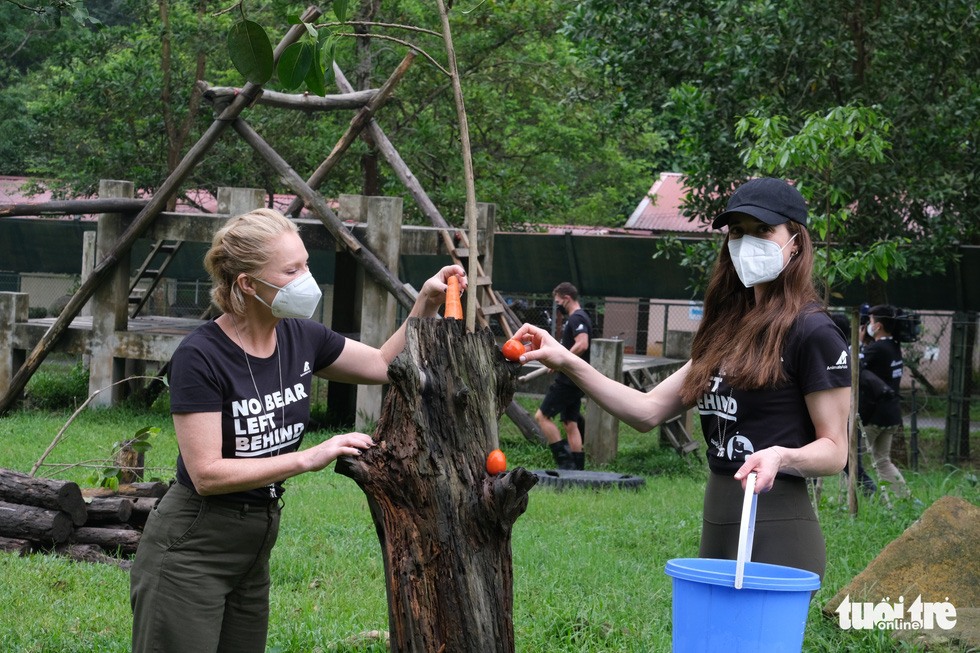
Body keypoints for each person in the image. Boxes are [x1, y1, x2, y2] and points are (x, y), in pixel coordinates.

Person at [130, 208, 465, 653]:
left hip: (255, 548)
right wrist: (309, 457)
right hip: (191, 547)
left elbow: (383, 364)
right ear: (247, 283)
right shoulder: (201, 355)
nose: (306, 277)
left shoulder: (301, 337)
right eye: (291, 270)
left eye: (305, 263)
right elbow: (206, 474)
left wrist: (425, 302)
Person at [514, 178, 850, 579]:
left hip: (779, 525)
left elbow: (835, 451)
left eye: (763, 230)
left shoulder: (813, 331)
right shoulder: (728, 330)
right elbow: (647, 411)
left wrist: (782, 455)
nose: (747, 242)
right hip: (717, 521)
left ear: (795, 240)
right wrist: (565, 359)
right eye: (737, 232)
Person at [535, 282, 592, 470]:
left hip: (568, 381)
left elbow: (582, 344)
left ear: (567, 299)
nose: (557, 305)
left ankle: (565, 465)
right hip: (577, 381)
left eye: (558, 301)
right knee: (570, 423)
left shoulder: (577, 318)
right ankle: (578, 470)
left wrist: (562, 359)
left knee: (542, 417)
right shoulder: (579, 317)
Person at [861, 304, 910, 500]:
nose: (868, 325)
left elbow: (853, 363)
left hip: (873, 416)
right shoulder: (893, 346)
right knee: (882, 460)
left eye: (870, 322)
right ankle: (904, 498)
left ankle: (854, 501)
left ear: (878, 325)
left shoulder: (878, 348)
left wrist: (858, 342)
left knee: (849, 460)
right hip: (891, 414)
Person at [830, 312, 877, 497]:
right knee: (852, 465)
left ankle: (871, 494)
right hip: (848, 414)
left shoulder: (839, 354)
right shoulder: (851, 353)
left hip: (843, 416)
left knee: (852, 465)